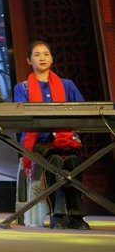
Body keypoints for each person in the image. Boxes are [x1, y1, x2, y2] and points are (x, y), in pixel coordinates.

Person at [14, 40, 90, 230]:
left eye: (46, 54)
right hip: (40, 142)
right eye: (37, 54)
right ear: (28, 60)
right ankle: (58, 215)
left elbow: (83, 112)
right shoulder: (22, 88)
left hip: (66, 141)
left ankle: (76, 216)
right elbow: (23, 118)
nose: (42, 58)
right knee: (54, 161)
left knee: (73, 162)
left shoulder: (67, 85)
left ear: (52, 59)